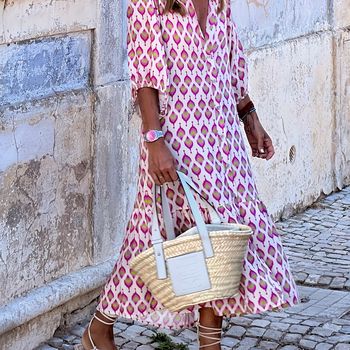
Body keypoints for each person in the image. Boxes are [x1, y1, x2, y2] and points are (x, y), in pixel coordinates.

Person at [76, 0, 299, 349]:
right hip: (177, 136)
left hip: (222, 135)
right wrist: (154, 140)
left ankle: (106, 331)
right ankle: (100, 327)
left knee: (218, 239)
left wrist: (250, 119)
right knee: (160, 236)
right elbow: (145, 70)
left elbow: (231, 61)